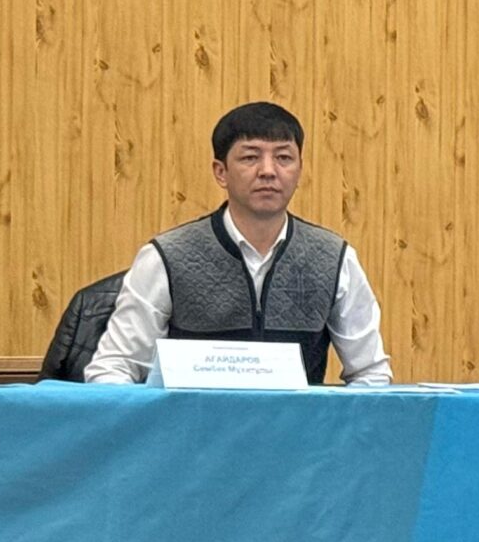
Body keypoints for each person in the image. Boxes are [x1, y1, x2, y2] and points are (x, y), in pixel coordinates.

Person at [87, 100, 393, 387]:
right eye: (250, 157)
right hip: (193, 425)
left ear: (300, 170)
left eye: (284, 158)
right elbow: (113, 367)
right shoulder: (167, 257)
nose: (268, 171)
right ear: (221, 172)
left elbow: (370, 373)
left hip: (297, 426)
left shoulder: (334, 258)